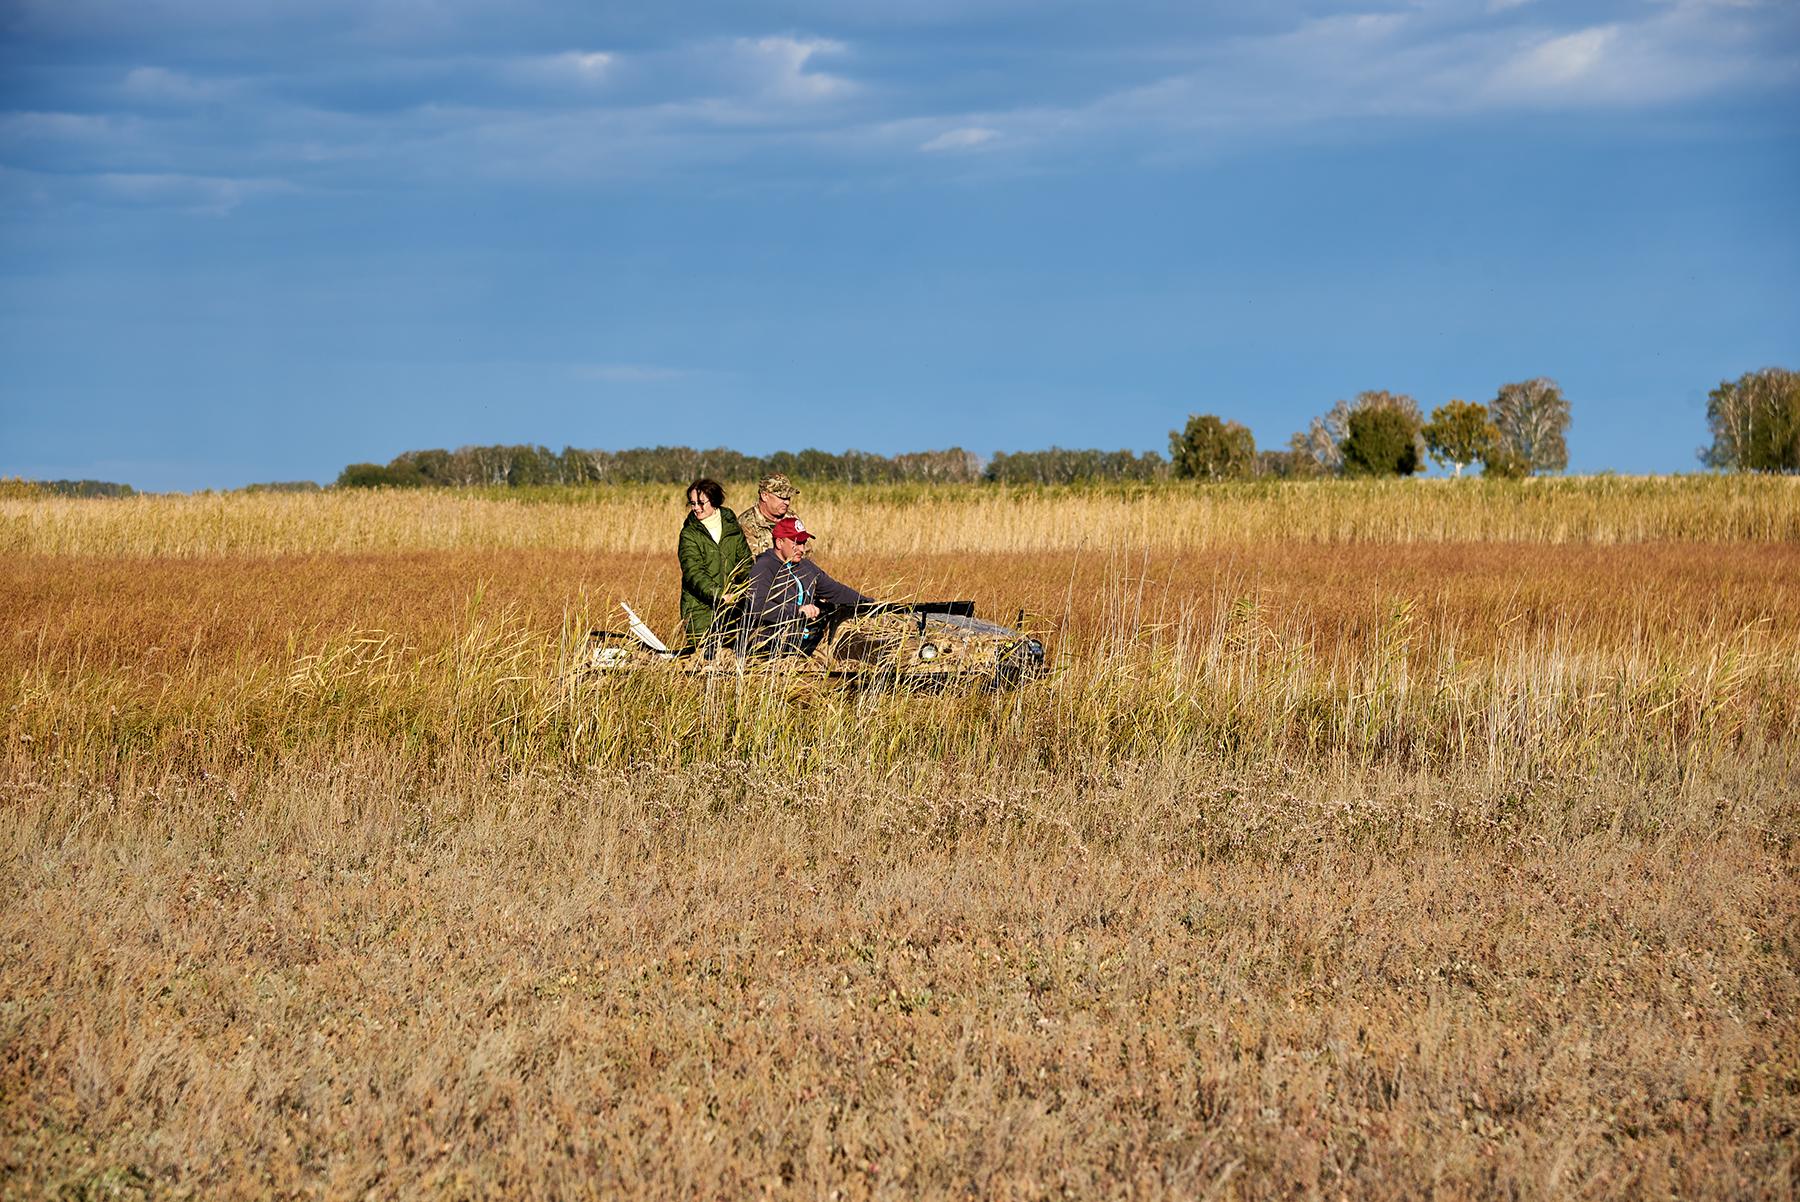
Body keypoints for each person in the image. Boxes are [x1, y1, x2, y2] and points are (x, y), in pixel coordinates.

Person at [738, 516, 877, 656]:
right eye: (797, 543)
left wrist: (869, 605)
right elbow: (757, 607)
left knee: (852, 641)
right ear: (779, 543)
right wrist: (797, 611)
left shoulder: (805, 567)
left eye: (804, 543)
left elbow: (836, 591)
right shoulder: (764, 567)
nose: (802, 549)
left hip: (804, 639)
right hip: (769, 644)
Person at [677, 478, 752, 649]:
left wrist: (745, 592)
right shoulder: (689, 534)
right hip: (700, 609)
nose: (696, 507)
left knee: (731, 660)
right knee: (705, 659)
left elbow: (745, 563)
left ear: (714, 500)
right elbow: (693, 572)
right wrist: (719, 595)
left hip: (733, 608)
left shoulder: (732, 528)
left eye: (701, 503)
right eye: (692, 503)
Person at [738, 473, 799, 558]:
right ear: (765, 496)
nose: (787, 502)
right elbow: (749, 563)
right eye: (782, 497)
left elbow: (806, 552)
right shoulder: (746, 523)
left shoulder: (792, 517)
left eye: (788, 498)